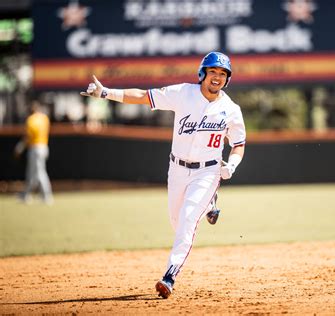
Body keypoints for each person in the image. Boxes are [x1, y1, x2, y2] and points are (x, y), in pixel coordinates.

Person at [80, 52, 246, 299]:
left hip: (208, 171)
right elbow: (142, 96)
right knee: (177, 222)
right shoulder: (183, 94)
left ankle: (169, 275)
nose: (217, 77)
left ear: (227, 79)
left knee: (188, 221)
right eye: (213, 72)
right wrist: (106, 93)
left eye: (223, 74)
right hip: (177, 168)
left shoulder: (231, 110)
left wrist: (231, 164)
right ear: (203, 73)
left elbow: (239, 144)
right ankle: (209, 204)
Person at [14, 101, 54, 204]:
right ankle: (26, 195)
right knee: (32, 173)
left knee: (40, 172)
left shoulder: (31, 120)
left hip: (35, 148)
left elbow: (28, 137)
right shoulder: (44, 118)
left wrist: (20, 147)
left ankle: (47, 196)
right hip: (44, 146)